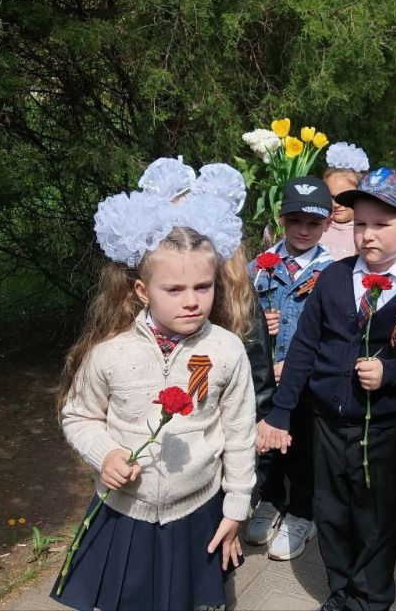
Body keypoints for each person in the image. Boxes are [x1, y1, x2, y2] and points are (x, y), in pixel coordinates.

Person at [52, 158, 256, 611]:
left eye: (203, 287)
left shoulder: (225, 351)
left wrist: (237, 508)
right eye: (174, 290)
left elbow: (240, 434)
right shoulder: (110, 352)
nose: (192, 301)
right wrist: (103, 452)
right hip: (127, 513)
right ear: (142, 291)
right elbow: (79, 414)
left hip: (198, 511)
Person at [256, 168, 396, 611]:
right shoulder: (332, 278)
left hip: (384, 429)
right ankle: (341, 589)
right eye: (361, 223)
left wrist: (394, 374)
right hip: (328, 421)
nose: (368, 235)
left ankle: (372, 597)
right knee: (331, 512)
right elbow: (305, 348)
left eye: (382, 224)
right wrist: (281, 411)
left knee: (377, 514)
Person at [246, 176, 334, 560]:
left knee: (302, 447)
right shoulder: (260, 268)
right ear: (281, 218)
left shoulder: (334, 272)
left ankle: (302, 512)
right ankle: (270, 499)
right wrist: (256, 324)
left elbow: (336, 332)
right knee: (266, 445)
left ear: (328, 224)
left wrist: (299, 366)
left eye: (313, 223)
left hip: (307, 382)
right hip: (266, 381)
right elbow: (237, 318)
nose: (303, 230)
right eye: (295, 220)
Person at [321, 142, 370, 261]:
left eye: (343, 197)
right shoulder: (318, 227)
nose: (336, 204)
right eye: (331, 197)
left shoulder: (366, 231)